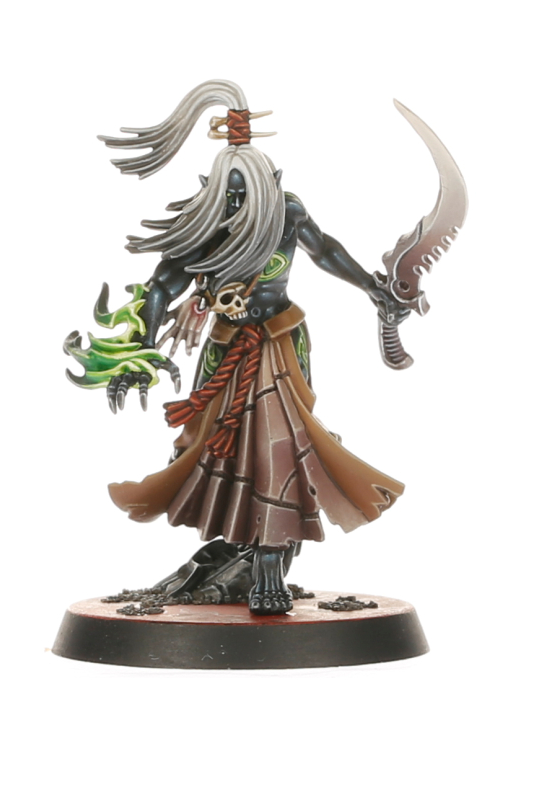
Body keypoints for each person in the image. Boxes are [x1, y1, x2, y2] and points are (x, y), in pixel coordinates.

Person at [66, 80, 409, 614]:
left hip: (279, 343)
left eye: (245, 195)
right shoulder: (204, 224)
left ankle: (269, 560)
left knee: (281, 443)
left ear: (268, 186)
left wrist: (373, 289)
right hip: (224, 347)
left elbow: (325, 251)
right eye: (229, 196)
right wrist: (142, 349)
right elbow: (162, 286)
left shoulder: (287, 214)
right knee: (215, 445)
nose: (237, 205)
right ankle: (239, 547)